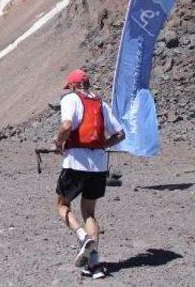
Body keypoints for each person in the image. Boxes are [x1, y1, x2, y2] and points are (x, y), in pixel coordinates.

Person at [53, 69, 125, 279]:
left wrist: (59, 144)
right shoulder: (101, 104)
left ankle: (82, 235)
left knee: (62, 205)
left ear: (73, 86)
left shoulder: (71, 99)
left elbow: (66, 125)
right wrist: (102, 144)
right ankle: (95, 264)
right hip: (99, 165)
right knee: (89, 212)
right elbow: (120, 134)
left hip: (76, 163)